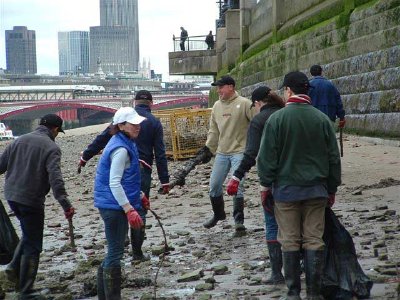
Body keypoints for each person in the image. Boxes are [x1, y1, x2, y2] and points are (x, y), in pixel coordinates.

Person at [257, 71, 341, 300]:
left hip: (286, 192)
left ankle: (293, 293)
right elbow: (334, 158)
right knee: (314, 238)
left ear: (288, 90)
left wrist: (266, 186)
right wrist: (332, 188)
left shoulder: (276, 119)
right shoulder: (322, 119)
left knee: (289, 239)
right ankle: (314, 293)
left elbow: (266, 159)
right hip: (317, 190)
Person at [78, 90, 170, 261]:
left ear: (135, 102)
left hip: (133, 167)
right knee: (138, 211)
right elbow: (160, 152)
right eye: (135, 124)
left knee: (126, 208)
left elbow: (101, 138)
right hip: (142, 168)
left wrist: (85, 157)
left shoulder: (121, 134)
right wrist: (165, 180)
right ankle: (137, 251)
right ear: (151, 103)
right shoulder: (152, 123)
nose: (137, 126)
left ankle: (122, 237)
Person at [0, 114, 75, 299]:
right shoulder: (52, 147)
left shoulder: (19, 140)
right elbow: (55, 180)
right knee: (34, 244)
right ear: (55, 129)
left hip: (11, 195)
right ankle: (26, 291)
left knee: (28, 234)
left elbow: (0, 166)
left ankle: (13, 267)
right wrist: (66, 204)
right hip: (30, 199)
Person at [226, 86, 285, 284]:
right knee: (298, 226)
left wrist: (236, 176)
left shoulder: (259, 120)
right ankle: (302, 270)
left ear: (258, 103)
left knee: (272, 224)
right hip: (302, 180)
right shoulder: (287, 114)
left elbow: (251, 153)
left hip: (272, 180)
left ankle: (277, 274)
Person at [94, 107, 148, 299]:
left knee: (113, 251)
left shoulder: (124, 142)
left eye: (138, 123)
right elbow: (114, 182)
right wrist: (129, 209)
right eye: (133, 124)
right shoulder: (121, 149)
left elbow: (127, 178)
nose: (138, 126)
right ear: (121, 126)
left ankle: (103, 296)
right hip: (112, 206)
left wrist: (140, 195)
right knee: (115, 253)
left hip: (111, 202)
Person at [201, 75, 256, 232]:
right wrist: (208, 149)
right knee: (214, 186)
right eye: (217, 88)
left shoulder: (245, 104)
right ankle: (218, 214)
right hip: (222, 152)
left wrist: (254, 147)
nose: (218, 90)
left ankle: (238, 220)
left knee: (237, 185)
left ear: (231, 87)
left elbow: (257, 123)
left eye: (221, 87)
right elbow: (214, 131)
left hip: (240, 151)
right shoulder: (217, 106)